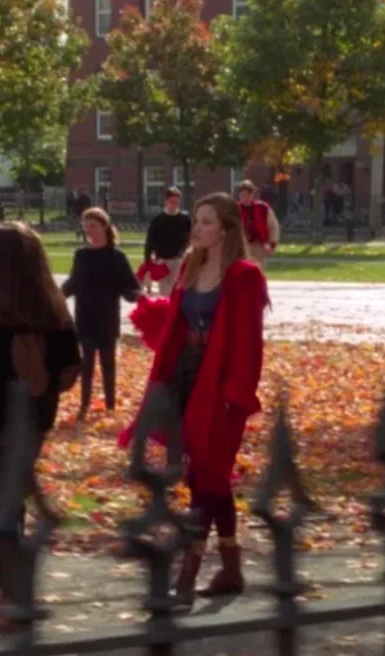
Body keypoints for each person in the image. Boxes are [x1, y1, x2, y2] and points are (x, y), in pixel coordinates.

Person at [121, 192, 268, 607]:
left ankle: (188, 570)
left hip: (221, 385)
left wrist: (235, 394)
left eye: (205, 222)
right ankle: (232, 567)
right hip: (187, 377)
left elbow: (248, 344)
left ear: (225, 228)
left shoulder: (244, 276)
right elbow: (180, 321)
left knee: (209, 472)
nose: (197, 228)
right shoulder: (191, 265)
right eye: (197, 221)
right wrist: (155, 317)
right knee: (206, 475)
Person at [0, 223, 81, 629]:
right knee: (14, 498)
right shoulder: (52, 309)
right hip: (32, 419)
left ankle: (9, 591)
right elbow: (70, 370)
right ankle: (12, 584)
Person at [63, 208, 140, 424]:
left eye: (93, 226)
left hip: (107, 318)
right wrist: (55, 296)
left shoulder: (117, 257)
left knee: (108, 364)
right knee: (86, 363)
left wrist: (141, 298)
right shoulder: (81, 255)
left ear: (105, 226)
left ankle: (110, 405)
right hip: (85, 317)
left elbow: (130, 288)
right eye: (86, 227)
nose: (89, 231)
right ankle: (84, 404)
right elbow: (72, 284)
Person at [142, 187, 192, 296]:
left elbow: (191, 237)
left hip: (180, 259)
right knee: (165, 293)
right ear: (166, 201)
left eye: (176, 202)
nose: (174, 205)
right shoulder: (158, 220)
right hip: (163, 261)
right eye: (171, 202)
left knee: (179, 292)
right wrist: (147, 259)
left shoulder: (184, 219)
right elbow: (151, 240)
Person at [236, 180, 280, 268]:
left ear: (252, 194)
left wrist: (272, 244)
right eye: (242, 195)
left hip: (258, 245)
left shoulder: (263, 208)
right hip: (240, 246)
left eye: (247, 195)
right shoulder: (235, 209)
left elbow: (273, 227)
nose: (244, 198)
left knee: (257, 271)